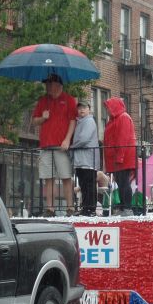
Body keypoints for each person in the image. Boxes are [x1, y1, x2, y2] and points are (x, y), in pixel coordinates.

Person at [31, 73, 77, 217]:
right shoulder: (43, 101)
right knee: (48, 178)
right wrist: (42, 118)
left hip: (61, 146)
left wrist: (67, 139)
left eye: (50, 84)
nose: (47, 87)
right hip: (45, 145)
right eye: (47, 84)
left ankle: (70, 208)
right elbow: (34, 121)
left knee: (65, 176)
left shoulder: (68, 100)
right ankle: (50, 209)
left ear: (58, 85)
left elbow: (73, 120)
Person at [103, 97, 136, 217]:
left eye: (108, 107)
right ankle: (124, 206)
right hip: (117, 158)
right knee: (121, 182)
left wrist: (120, 157)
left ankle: (127, 207)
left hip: (123, 157)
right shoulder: (113, 120)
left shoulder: (123, 117)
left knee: (124, 182)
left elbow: (123, 138)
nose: (107, 110)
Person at [70, 100, 100, 216]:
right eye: (79, 108)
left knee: (89, 184)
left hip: (88, 160)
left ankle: (90, 209)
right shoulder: (80, 122)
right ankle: (86, 208)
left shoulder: (89, 121)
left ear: (89, 109)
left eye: (84, 107)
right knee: (84, 185)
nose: (81, 110)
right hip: (81, 160)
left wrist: (71, 146)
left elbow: (84, 139)